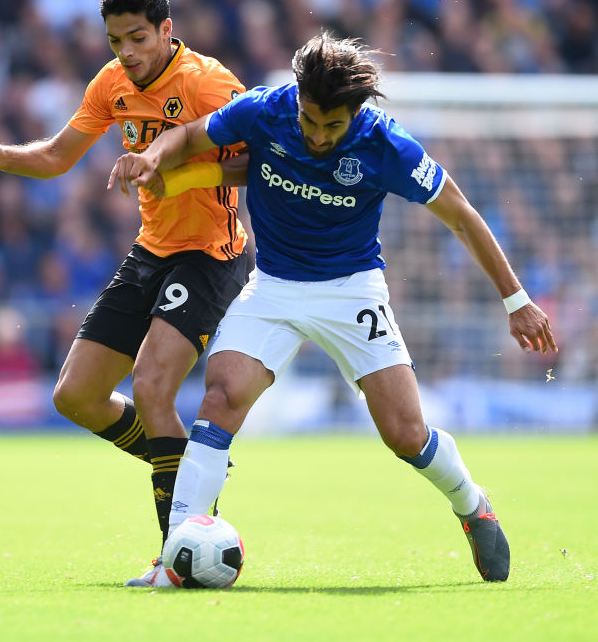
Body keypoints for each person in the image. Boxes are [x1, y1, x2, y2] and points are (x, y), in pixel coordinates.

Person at [109, 32, 558, 586]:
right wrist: (153, 158)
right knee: (220, 398)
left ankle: (473, 504)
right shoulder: (264, 110)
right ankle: (172, 558)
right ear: (297, 100)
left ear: (357, 113)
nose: (319, 136)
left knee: (405, 433)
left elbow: (461, 214)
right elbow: (191, 134)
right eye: (310, 121)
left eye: (333, 126)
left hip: (352, 291)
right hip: (272, 288)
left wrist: (517, 301)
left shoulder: (386, 146)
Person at [0, 0, 250, 585]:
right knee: (74, 396)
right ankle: (193, 470)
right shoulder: (110, 83)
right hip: (150, 251)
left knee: (151, 388)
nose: (127, 51)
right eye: (117, 39)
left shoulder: (206, 82)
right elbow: (59, 155)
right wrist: (3, 156)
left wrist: (176, 167)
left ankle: (176, 552)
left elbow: (261, 158)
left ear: (167, 30)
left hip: (210, 253)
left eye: (139, 37)